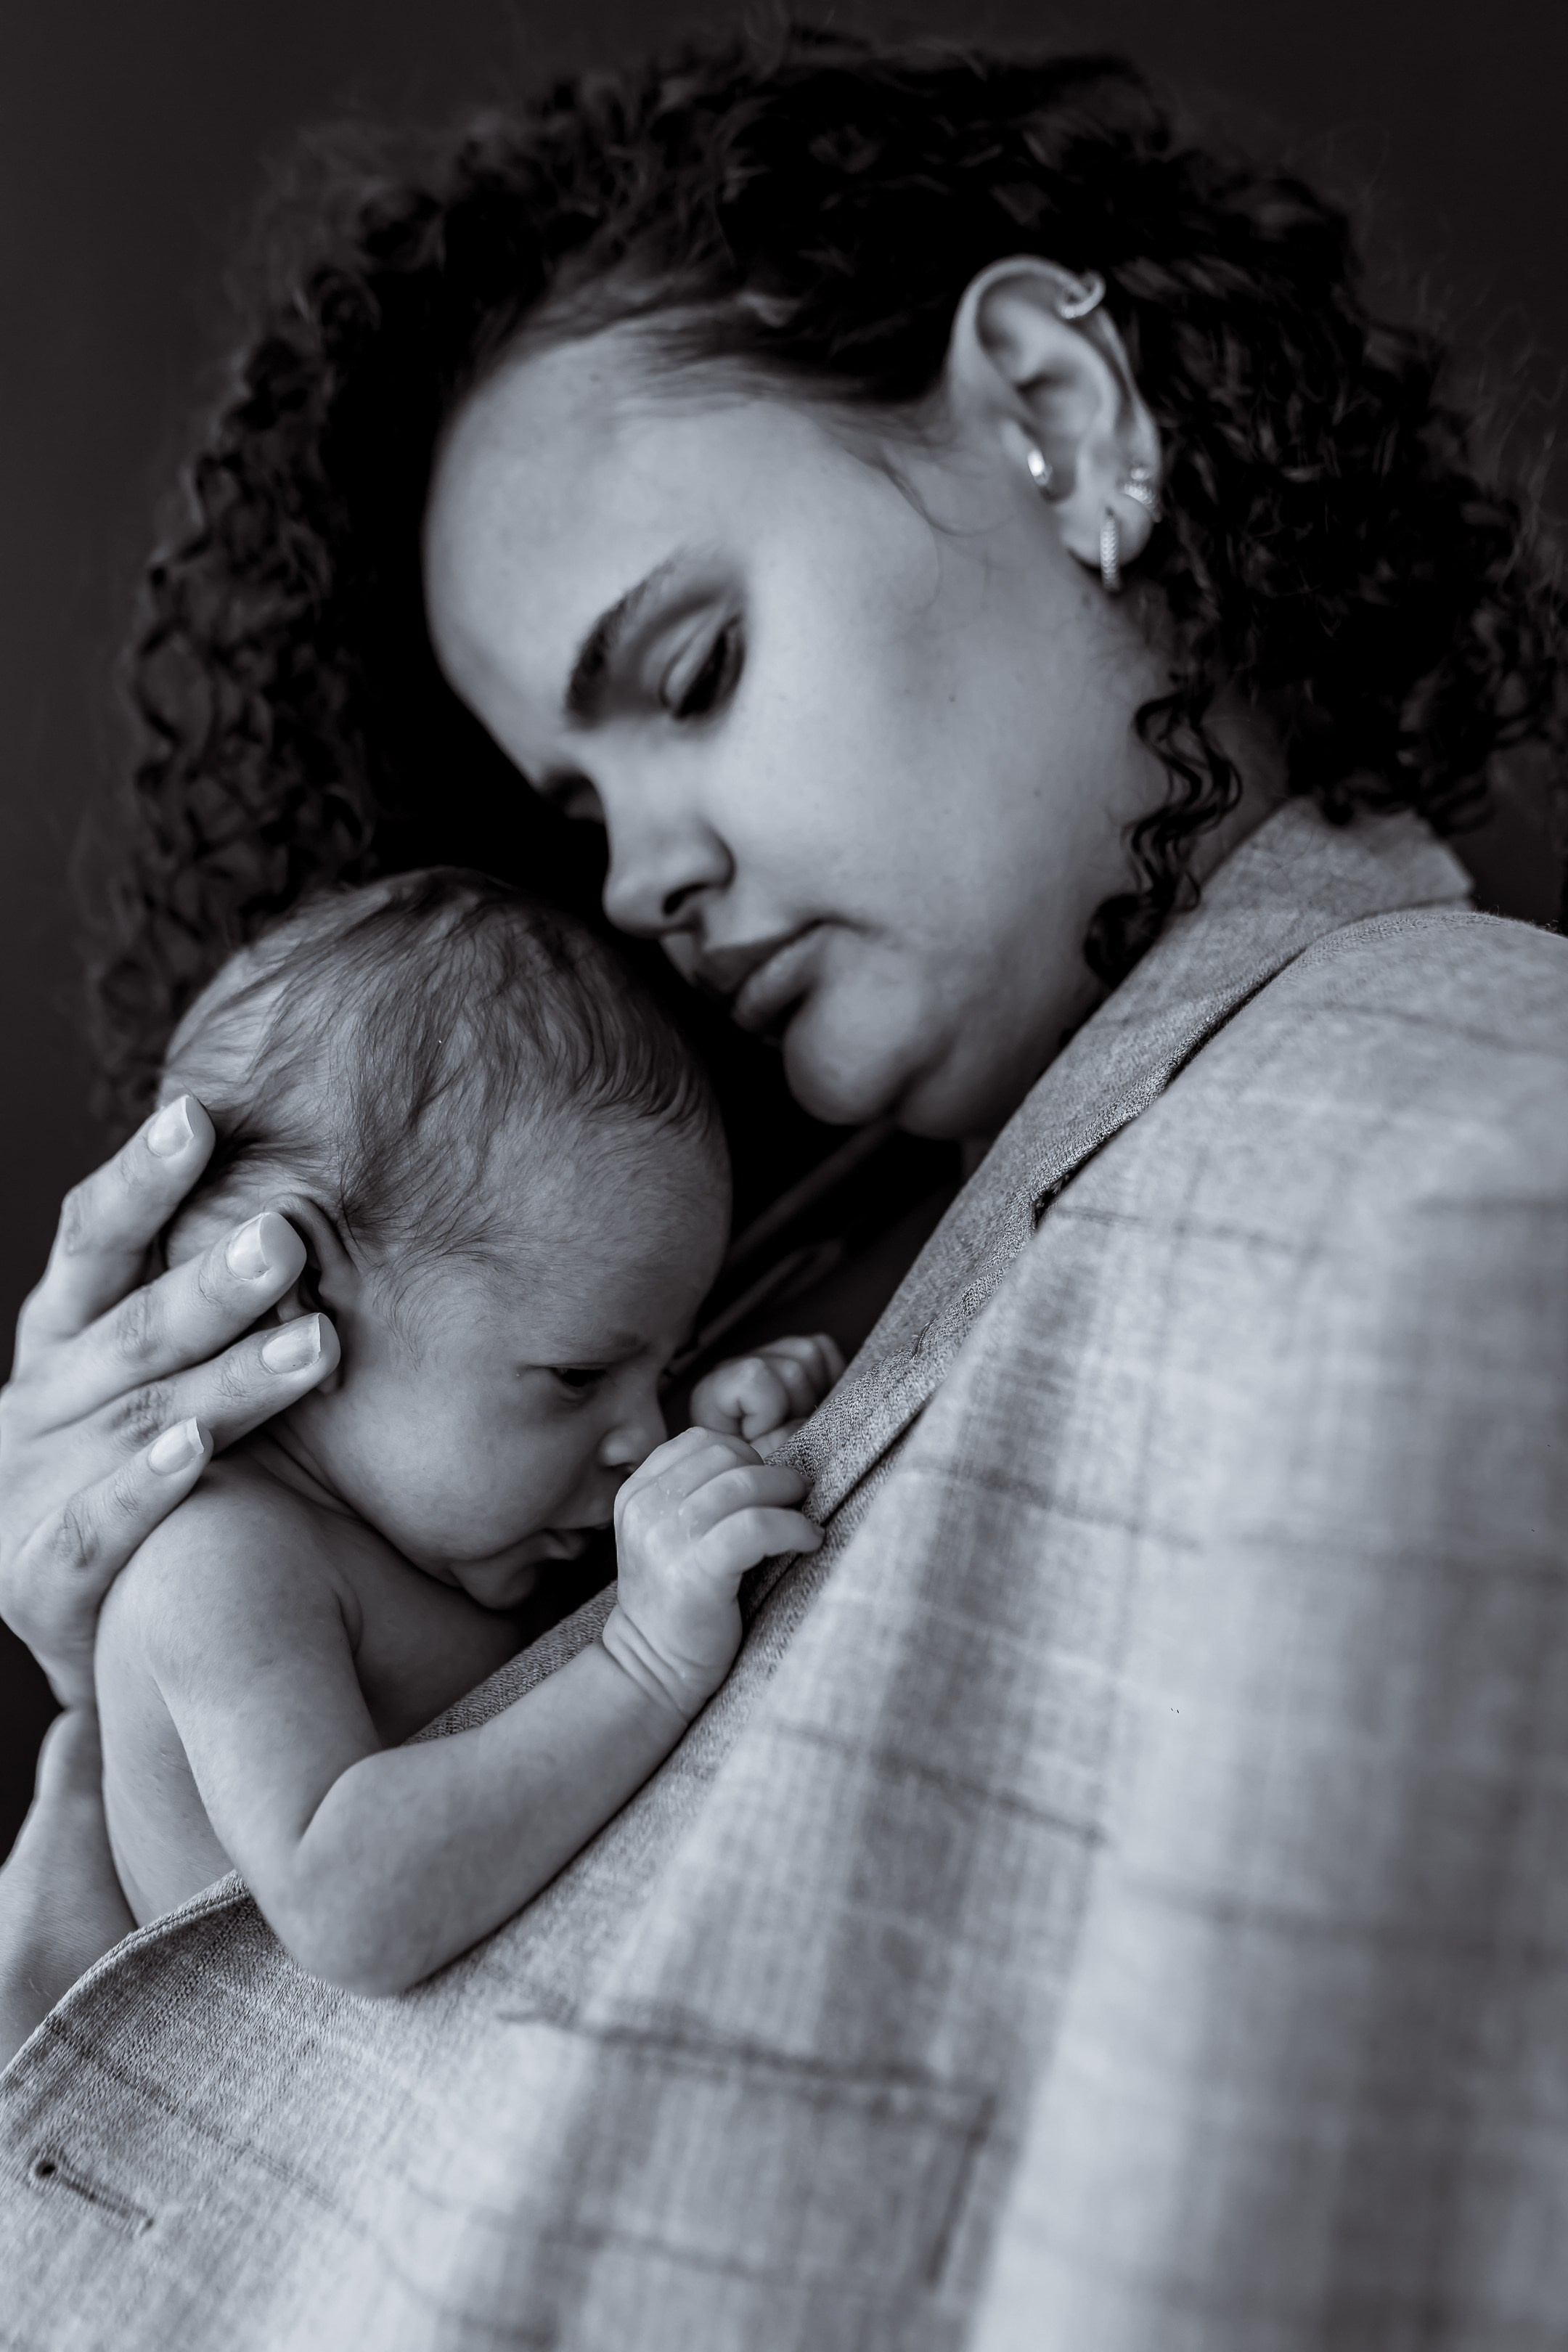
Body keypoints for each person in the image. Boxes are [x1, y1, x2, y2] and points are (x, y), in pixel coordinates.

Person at [2, 25, 1566, 2347]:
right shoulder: (716, 1320)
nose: (638, 881)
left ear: (1059, 412)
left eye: (693, 669)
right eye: (571, 815)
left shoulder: (1465, 1186)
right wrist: (183, 1644)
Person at [91, 866, 838, 1995]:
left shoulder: (447, 1524)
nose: (634, 1436)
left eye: (667, 1365)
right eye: (581, 1374)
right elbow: (352, 1906)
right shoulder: (217, 1570)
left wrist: (705, 1451)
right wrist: (640, 1662)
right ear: (296, 1313)